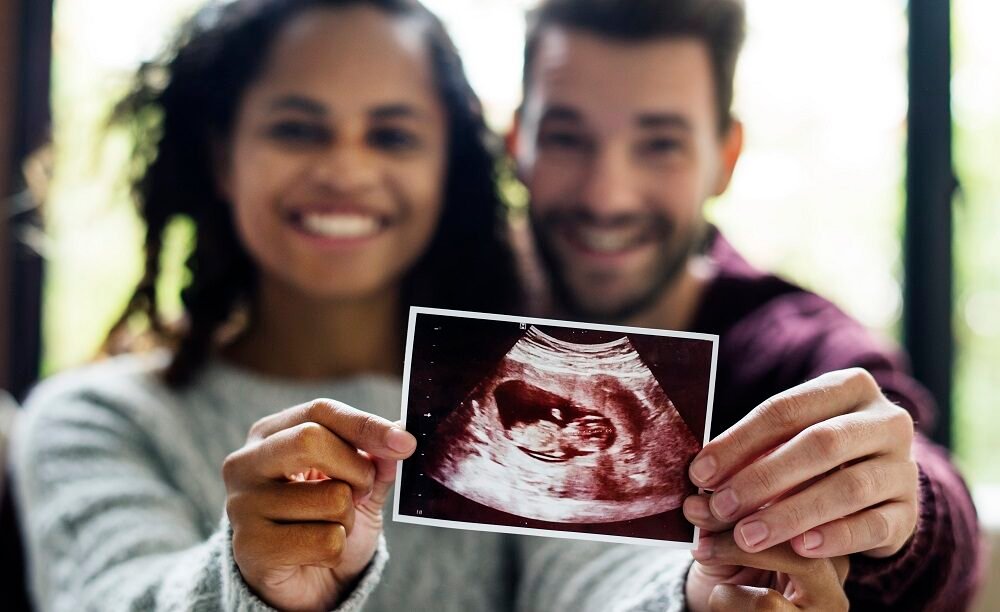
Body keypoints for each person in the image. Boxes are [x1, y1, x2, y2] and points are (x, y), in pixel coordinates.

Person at [8, 1, 862, 611]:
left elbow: (584, 579)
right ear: (221, 156)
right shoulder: (96, 418)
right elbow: (110, 591)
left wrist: (690, 596)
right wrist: (245, 582)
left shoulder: (523, 387)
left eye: (392, 135)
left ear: (449, 171)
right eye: (297, 128)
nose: (345, 169)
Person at [509, 0, 982, 610]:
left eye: (660, 144)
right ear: (517, 140)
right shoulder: (437, 300)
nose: (608, 193)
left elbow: (934, 495)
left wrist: (903, 512)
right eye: (567, 138)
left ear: (724, 159)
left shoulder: (793, 349)